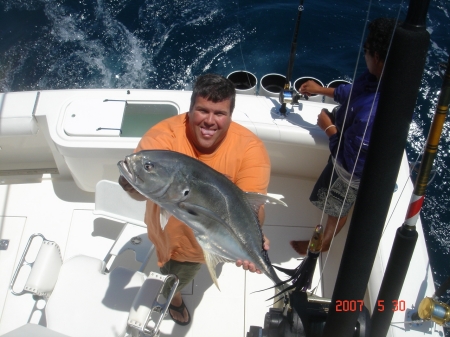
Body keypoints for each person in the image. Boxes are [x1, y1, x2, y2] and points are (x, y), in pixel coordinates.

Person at [118, 74, 271, 325]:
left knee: (184, 271)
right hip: (169, 239)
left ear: (231, 116)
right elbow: (139, 189)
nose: (210, 121)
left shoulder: (251, 149)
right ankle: (175, 298)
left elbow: (253, 206)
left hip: (206, 244)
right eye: (202, 110)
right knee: (173, 273)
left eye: (219, 113)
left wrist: (255, 236)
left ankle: (174, 295)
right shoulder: (163, 138)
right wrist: (128, 182)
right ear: (189, 110)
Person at [290, 18, 397, 255]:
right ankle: (325, 238)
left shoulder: (374, 113)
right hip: (349, 140)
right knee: (335, 201)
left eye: (366, 52)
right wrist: (320, 90)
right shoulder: (377, 77)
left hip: (351, 170)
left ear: (378, 57)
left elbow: (350, 161)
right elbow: (353, 91)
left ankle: (324, 242)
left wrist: (328, 128)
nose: (364, 56)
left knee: (337, 205)